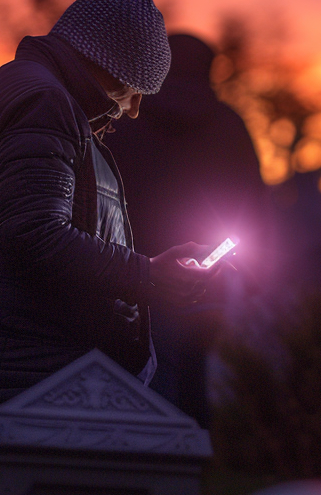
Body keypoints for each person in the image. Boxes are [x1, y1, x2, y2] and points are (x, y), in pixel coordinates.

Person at [0, 0, 218, 463]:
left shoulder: (37, 93)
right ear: (108, 64)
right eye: (134, 89)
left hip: (10, 360)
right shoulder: (43, 102)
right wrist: (149, 275)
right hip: (12, 369)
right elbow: (34, 234)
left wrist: (149, 272)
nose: (133, 109)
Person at [105, 33, 268, 426]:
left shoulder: (129, 121)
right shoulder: (229, 125)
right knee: (195, 369)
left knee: (149, 374)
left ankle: (152, 461)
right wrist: (249, 273)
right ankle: (195, 464)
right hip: (212, 273)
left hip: (140, 272)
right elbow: (254, 199)